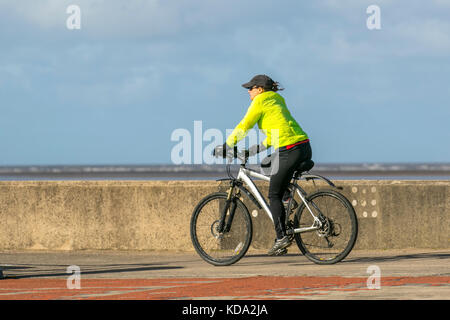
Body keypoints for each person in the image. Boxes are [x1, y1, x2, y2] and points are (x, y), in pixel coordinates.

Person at [213, 74, 312, 256]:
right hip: (303, 146)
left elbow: (245, 125)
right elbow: (274, 136)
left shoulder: (259, 102)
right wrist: (251, 151)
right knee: (267, 163)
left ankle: (281, 237)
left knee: (273, 194)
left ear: (260, 89)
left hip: (289, 149)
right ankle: (288, 197)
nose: (249, 91)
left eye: (251, 88)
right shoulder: (276, 100)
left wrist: (227, 145)